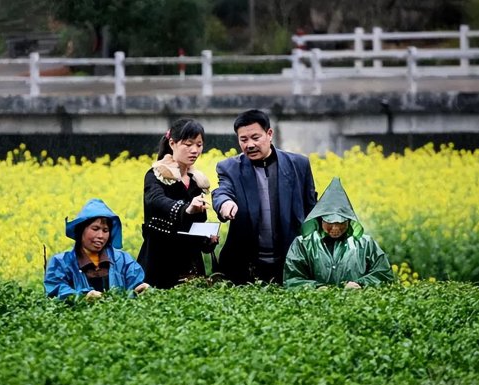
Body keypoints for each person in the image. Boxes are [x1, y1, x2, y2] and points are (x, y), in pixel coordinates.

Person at [211, 109, 317, 284]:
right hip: (246, 267)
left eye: (255, 137)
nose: (249, 145)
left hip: (292, 262)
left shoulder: (299, 164)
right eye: (243, 140)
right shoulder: (229, 167)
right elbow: (223, 191)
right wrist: (225, 204)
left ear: (269, 134)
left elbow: (311, 209)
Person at [137, 118, 219, 289]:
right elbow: (155, 200)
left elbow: (196, 224)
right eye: (188, 144)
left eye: (199, 145)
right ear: (172, 143)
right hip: (161, 260)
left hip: (191, 264)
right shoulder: (156, 175)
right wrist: (186, 209)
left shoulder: (197, 181)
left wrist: (207, 240)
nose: (195, 150)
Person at [284, 177, 394, 289]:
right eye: (330, 222)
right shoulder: (303, 244)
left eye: (341, 222)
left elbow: (384, 274)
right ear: (320, 219)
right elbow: (292, 280)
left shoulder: (365, 244)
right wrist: (316, 288)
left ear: (349, 220)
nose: (335, 228)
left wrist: (360, 284)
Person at [44, 199, 149, 299]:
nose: (101, 236)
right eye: (95, 229)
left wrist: (139, 289)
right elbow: (56, 289)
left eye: (105, 230)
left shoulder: (123, 260)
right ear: (81, 230)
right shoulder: (61, 262)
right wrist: (82, 297)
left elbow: (135, 283)